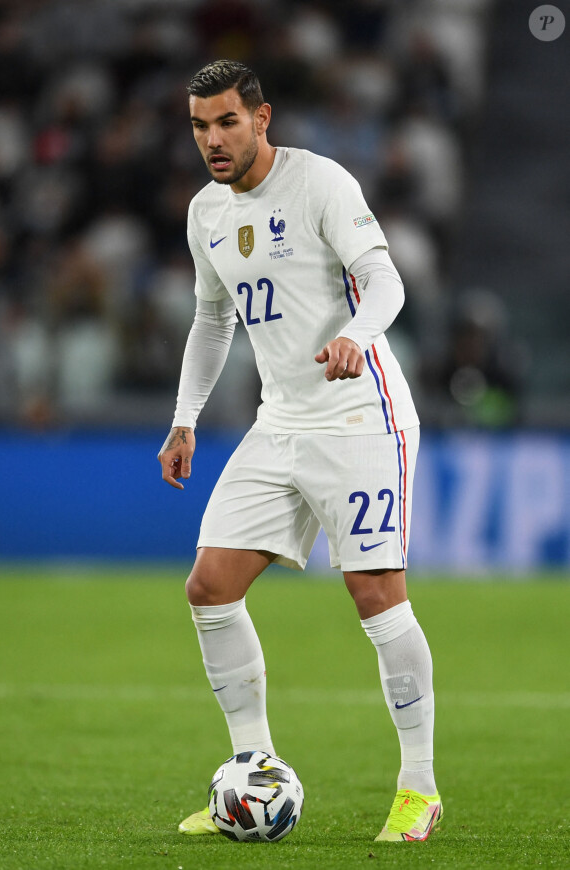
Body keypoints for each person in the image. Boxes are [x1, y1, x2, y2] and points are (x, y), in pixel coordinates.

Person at [157, 60, 442, 843]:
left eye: (225, 122)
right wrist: (185, 419)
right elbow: (213, 322)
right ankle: (255, 770)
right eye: (199, 126)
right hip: (278, 421)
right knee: (210, 587)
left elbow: (386, 282)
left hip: (360, 420)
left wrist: (356, 337)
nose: (212, 140)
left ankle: (418, 788)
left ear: (262, 118)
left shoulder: (321, 184)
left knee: (377, 599)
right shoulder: (205, 212)